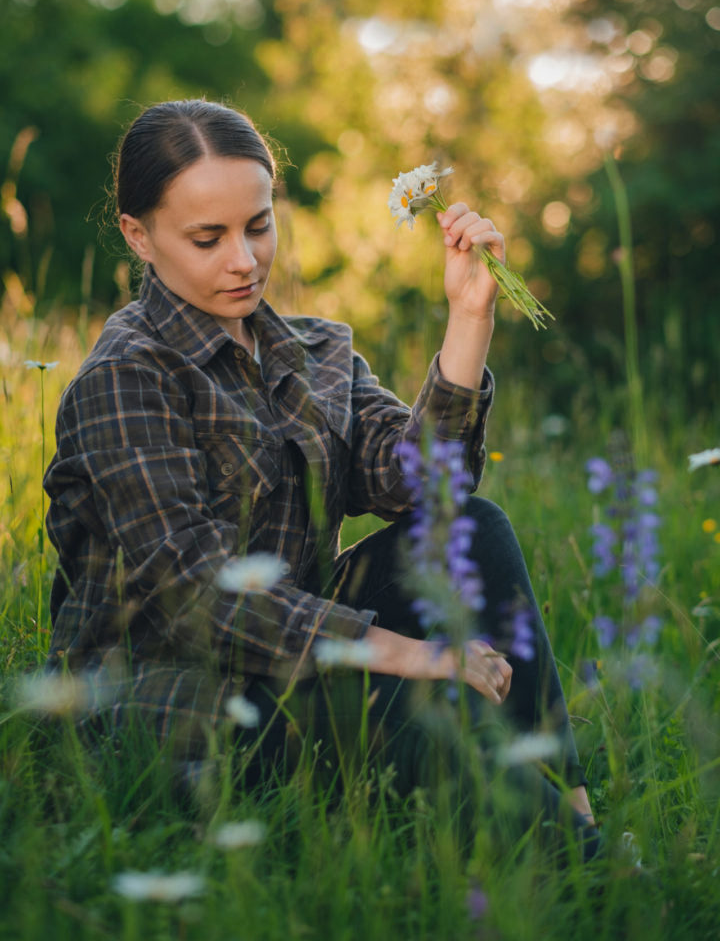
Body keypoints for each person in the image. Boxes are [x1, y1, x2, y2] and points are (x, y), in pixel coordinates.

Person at [44, 98, 598, 856]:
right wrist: (415, 655)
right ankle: (592, 875)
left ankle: (580, 820)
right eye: (208, 238)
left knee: (475, 529)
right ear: (139, 236)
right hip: (177, 701)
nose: (244, 260)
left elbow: (420, 489)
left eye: (258, 226)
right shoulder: (125, 377)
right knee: (407, 700)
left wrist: (470, 320)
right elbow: (195, 596)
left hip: (301, 651)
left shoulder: (315, 352)